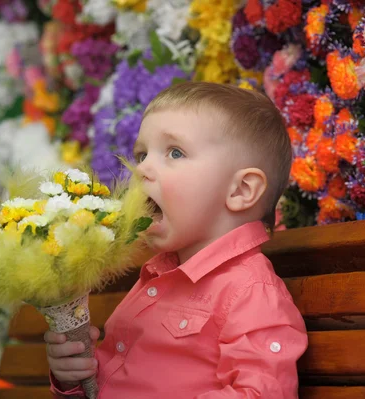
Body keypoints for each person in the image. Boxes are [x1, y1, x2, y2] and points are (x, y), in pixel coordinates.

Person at [45, 82, 308, 398]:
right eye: (141, 154)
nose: (141, 169)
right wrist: (74, 377)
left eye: (175, 152)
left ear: (241, 191)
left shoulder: (249, 291)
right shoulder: (156, 276)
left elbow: (263, 392)